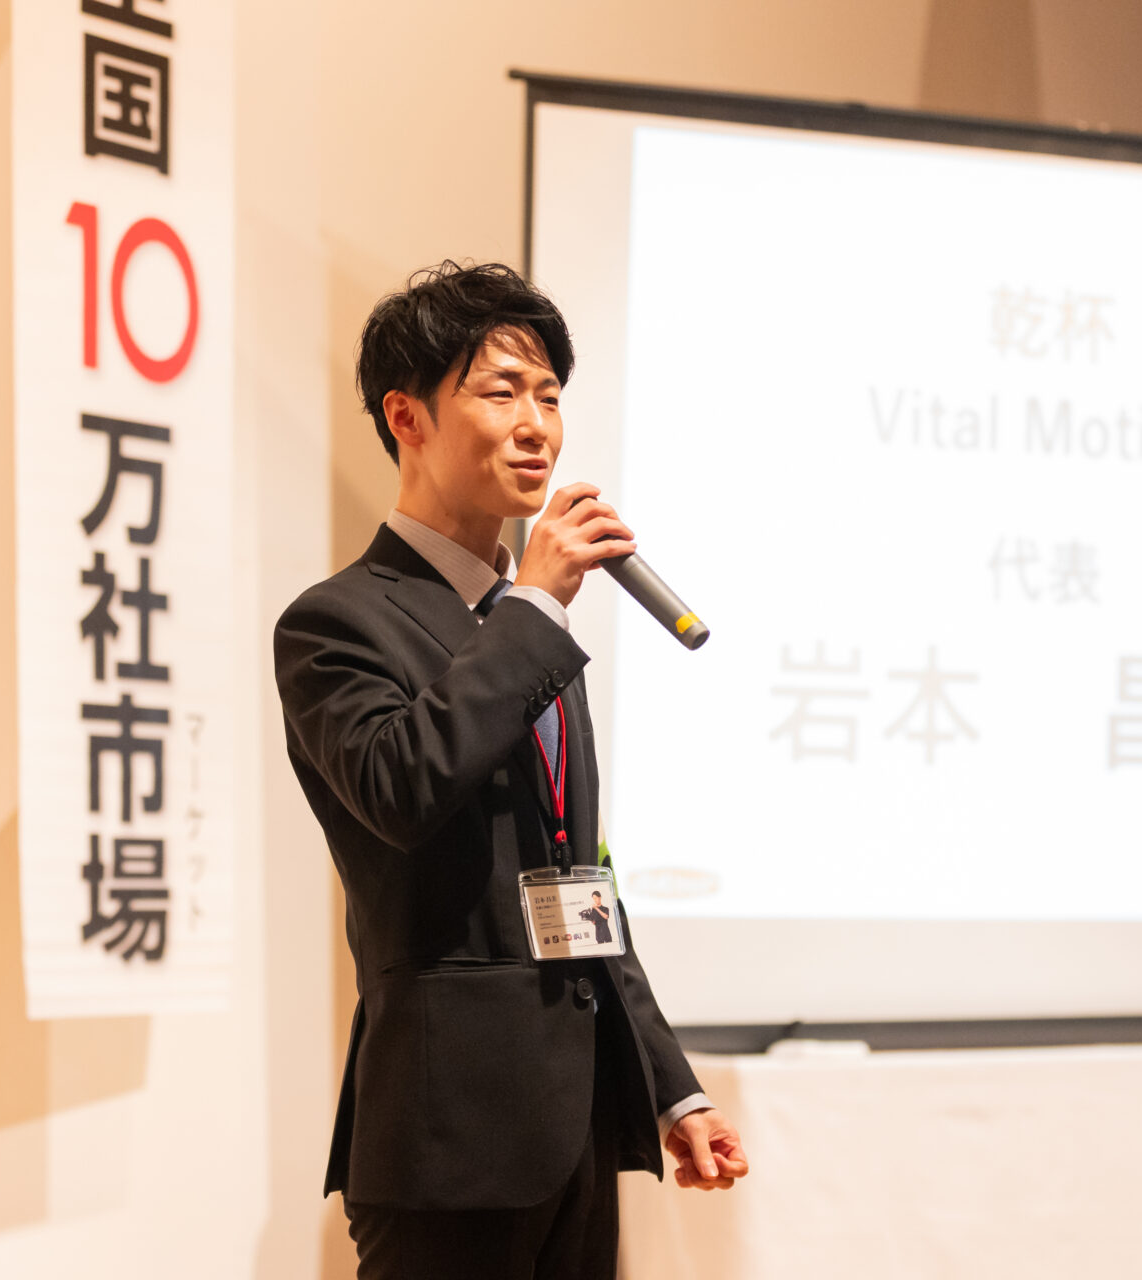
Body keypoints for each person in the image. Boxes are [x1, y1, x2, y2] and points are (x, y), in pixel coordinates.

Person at [274, 261, 748, 1279]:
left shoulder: (529, 630)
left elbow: (583, 880)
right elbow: (402, 786)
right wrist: (532, 606)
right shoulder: (337, 622)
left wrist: (669, 1084)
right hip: (446, 1138)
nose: (537, 425)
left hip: (576, 1129)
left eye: (550, 395)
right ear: (406, 416)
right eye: (501, 392)